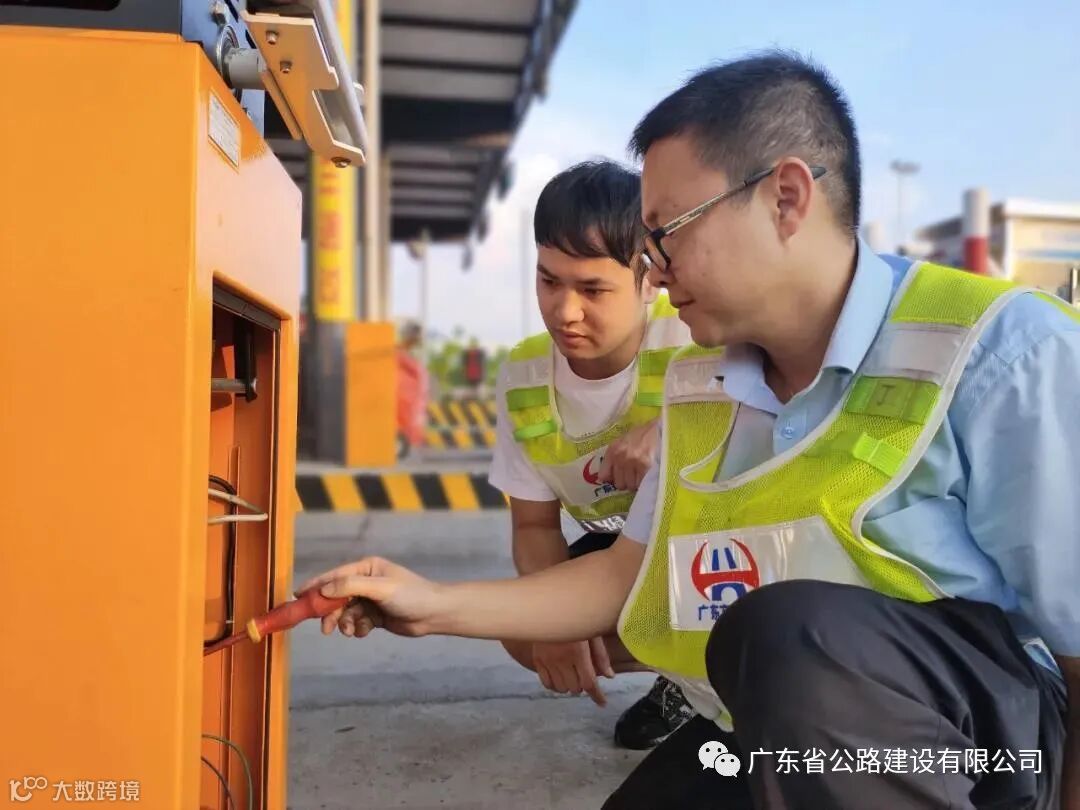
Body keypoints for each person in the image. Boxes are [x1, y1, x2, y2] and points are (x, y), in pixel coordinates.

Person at [298, 52, 1079, 810]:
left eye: (667, 230)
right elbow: (620, 577)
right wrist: (431, 604)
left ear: (785, 199)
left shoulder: (1003, 355)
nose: (656, 266)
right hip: (785, 729)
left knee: (791, 634)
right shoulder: (701, 384)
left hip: (989, 753)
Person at [489, 160, 695, 749]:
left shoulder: (694, 338)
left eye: (593, 289)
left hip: (713, 552)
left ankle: (719, 681)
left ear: (648, 278)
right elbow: (533, 525)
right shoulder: (525, 377)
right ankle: (694, 675)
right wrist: (556, 622)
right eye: (549, 281)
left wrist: (671, 431)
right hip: (623, 554)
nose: (564, 311)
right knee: (523, 634)